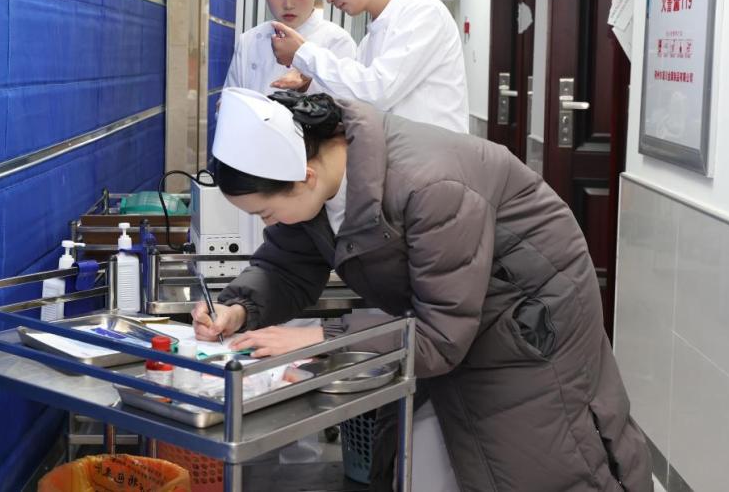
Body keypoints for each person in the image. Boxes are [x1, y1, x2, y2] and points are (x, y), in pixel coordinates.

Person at [192, 88, 653, 492]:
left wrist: (322, 339)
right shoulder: (318, 173)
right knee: (428, 453)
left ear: (305, 177)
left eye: (265, 213)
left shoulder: (430, 185)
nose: (267, 223)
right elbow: (286, 263)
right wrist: (238, 307)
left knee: (539, 460)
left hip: (526, 326)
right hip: (451, 317)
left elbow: (441, 338)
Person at [267, 0, 469, 134]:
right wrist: (307, 82)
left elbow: (377, 91)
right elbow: (356, 99)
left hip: (433, 151)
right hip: (404, 150)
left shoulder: (424, 12)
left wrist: (303, 51)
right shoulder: (369, 41)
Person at [224, 0, 355, 95]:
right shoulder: (249, 40)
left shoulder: (337, 41)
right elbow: (231, 96)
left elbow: (346, 103)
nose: (288, 4)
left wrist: (306, 83)